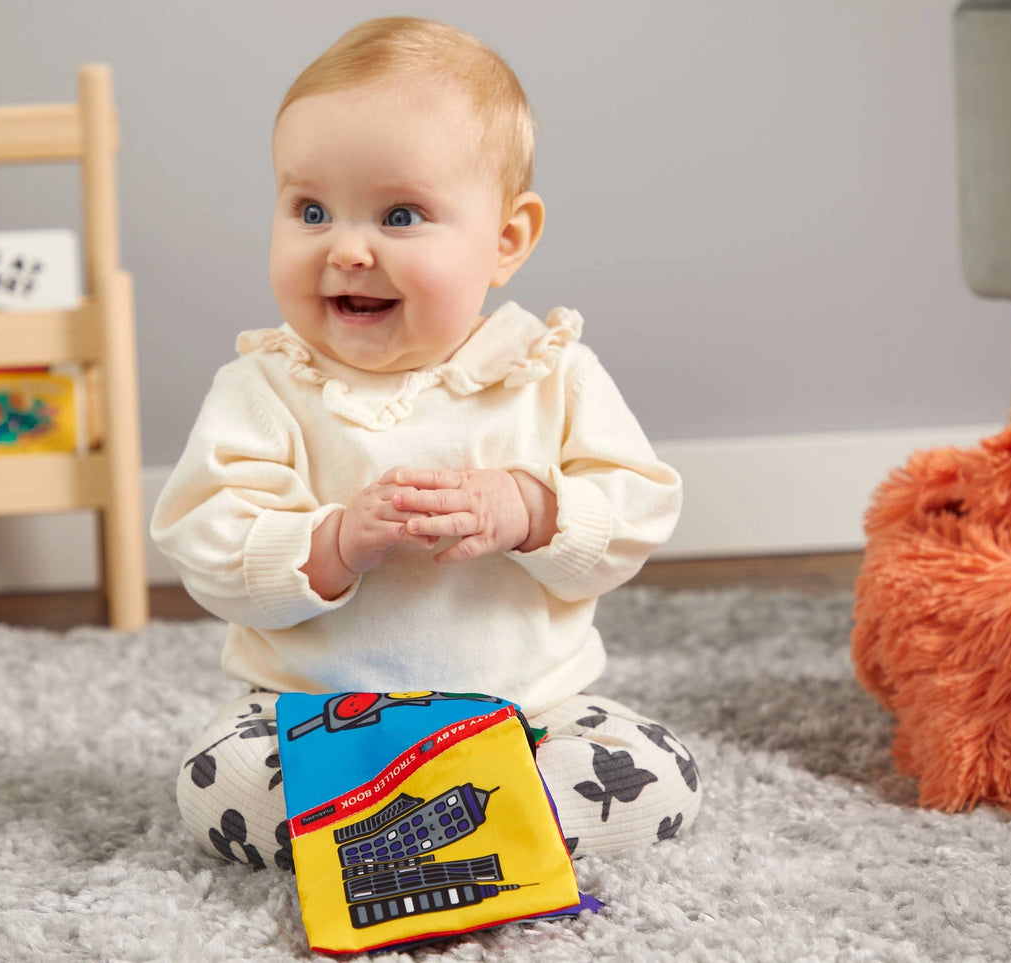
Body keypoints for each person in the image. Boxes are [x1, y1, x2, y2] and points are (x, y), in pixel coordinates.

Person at [152, 16, 701, 871]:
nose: (346, 247)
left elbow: (635, 514)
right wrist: (329, 542)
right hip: (319, 720)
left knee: (659, 773)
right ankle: (460, 836)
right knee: (216, 779)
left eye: (399, 214)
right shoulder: (265, 387)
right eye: (310, 210)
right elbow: (207, 542)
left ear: (506, 240)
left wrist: (532, 510)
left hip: (526, 713)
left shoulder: (548, 372)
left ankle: (394, 840)